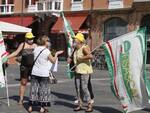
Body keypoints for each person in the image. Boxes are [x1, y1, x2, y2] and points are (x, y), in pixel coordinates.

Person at [28, 35, 63, 113]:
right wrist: (56, 54)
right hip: (43, 73)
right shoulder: (47, 51)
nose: (49, 42)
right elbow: (53, 61)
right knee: (43, 90)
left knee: (33, 89)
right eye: (48, 41)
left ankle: (30, 107)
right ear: (45, 42)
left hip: (34, 72)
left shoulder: (36, 49)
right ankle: (42, 108)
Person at [7, 32, 37, 105]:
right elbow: (16, 53)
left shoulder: (35, 45)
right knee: (23, 83)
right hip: (24, 66)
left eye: (32, 38)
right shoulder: (22, 44)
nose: (31, 40)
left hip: (33, 66)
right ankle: (21, 99)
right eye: (29, 39)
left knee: (34, 83)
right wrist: (6, 57)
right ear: (26, 39)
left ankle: (33, 99)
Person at [68, 32, 94, 112]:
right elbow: (72, 57)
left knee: (84, 88)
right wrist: (70, 59)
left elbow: (90, 56)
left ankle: (90, 104)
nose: (74, 40)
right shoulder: (76, 48)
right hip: (77, 70)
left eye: (75, 39)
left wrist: (81, 58)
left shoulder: (84, 47)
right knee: (78, 88)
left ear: (79, 40)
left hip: (85, 71)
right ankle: (80, 104)